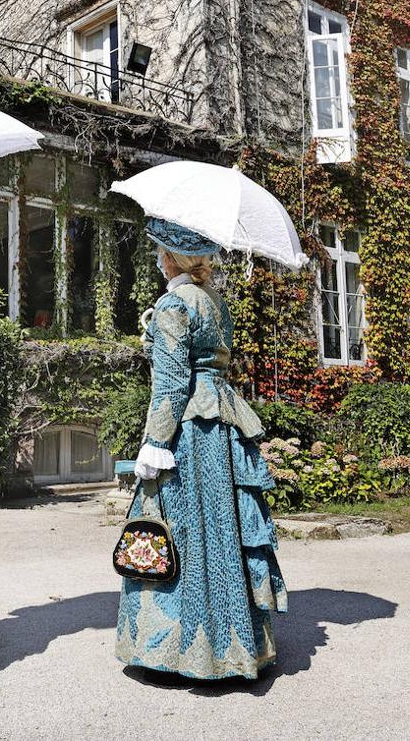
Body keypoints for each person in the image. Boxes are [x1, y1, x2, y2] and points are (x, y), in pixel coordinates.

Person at [115, 219, 288, 681]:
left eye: (158, 251)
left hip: (190, 426)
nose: (155, 258)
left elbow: (171, 384)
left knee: (185, 528)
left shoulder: (174, 302)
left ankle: (186, 649)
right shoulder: (212, 300)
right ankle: (235, 643)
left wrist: (154, 442)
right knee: (221, 529)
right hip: (223, 421)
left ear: (170, 257)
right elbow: (205, 359)